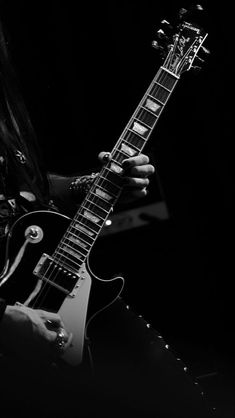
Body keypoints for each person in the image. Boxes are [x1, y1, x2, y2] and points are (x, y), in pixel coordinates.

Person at [0, 13, 216, 418]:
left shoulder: (5, 100)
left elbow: (26, 184)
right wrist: (6, 318)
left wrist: (97, 182)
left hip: (57, 290)